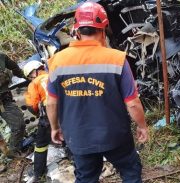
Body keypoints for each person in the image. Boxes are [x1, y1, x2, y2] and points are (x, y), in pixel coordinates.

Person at [46, 2, 148, 183]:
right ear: (104, 28)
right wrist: (142, 126)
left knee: (86, 178)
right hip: (115, 135)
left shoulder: (57, 61)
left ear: (76, 30)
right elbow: (132, 103)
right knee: (131, 172)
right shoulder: (117, 59)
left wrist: (55, 127)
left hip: (78, 137)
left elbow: (52, 102)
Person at [23, 61, 51, 182]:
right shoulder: (54, 75)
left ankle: (39, 173)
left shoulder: (34, 83)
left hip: (49, 113)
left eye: (29, 76)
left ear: (33, 72)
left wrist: (39, 114)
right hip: (68, 110)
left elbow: (32, 105)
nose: (30, 79)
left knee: (41, 144)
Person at [0, 53, 26, 157]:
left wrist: (28, 77)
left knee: (19, 124)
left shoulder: (1, 57)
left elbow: (15, 68)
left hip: (4, 100)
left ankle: (13, 151)